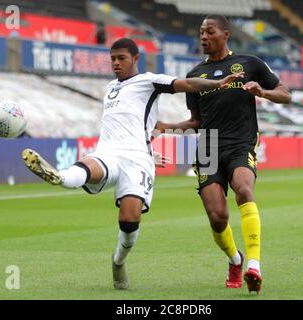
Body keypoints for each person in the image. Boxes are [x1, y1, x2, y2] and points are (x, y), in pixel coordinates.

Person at [21, 38, 243, 290]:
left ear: (135, 59)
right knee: (86, 168)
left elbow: (189, 84)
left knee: (129, 221)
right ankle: (59, 177)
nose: (115, 63)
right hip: (108, 152)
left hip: (137, 160)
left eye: (121, 58)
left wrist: (218, 83)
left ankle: (118, 261)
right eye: (112, 58)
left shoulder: (150, 81)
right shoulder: (109, 88)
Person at [156, 15, 291, 294]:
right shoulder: (195, 76)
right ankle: (235, 260)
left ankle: (254, 265)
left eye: (210, 31)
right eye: (201, 32)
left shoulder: (250, 63)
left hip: (241, 142)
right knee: (218, 217)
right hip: (207, 146)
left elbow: (285, 94)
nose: (203, 36)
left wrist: (263, 92)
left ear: (225, 34)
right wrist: (166, 128)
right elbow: (196, 121)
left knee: (244, 190)